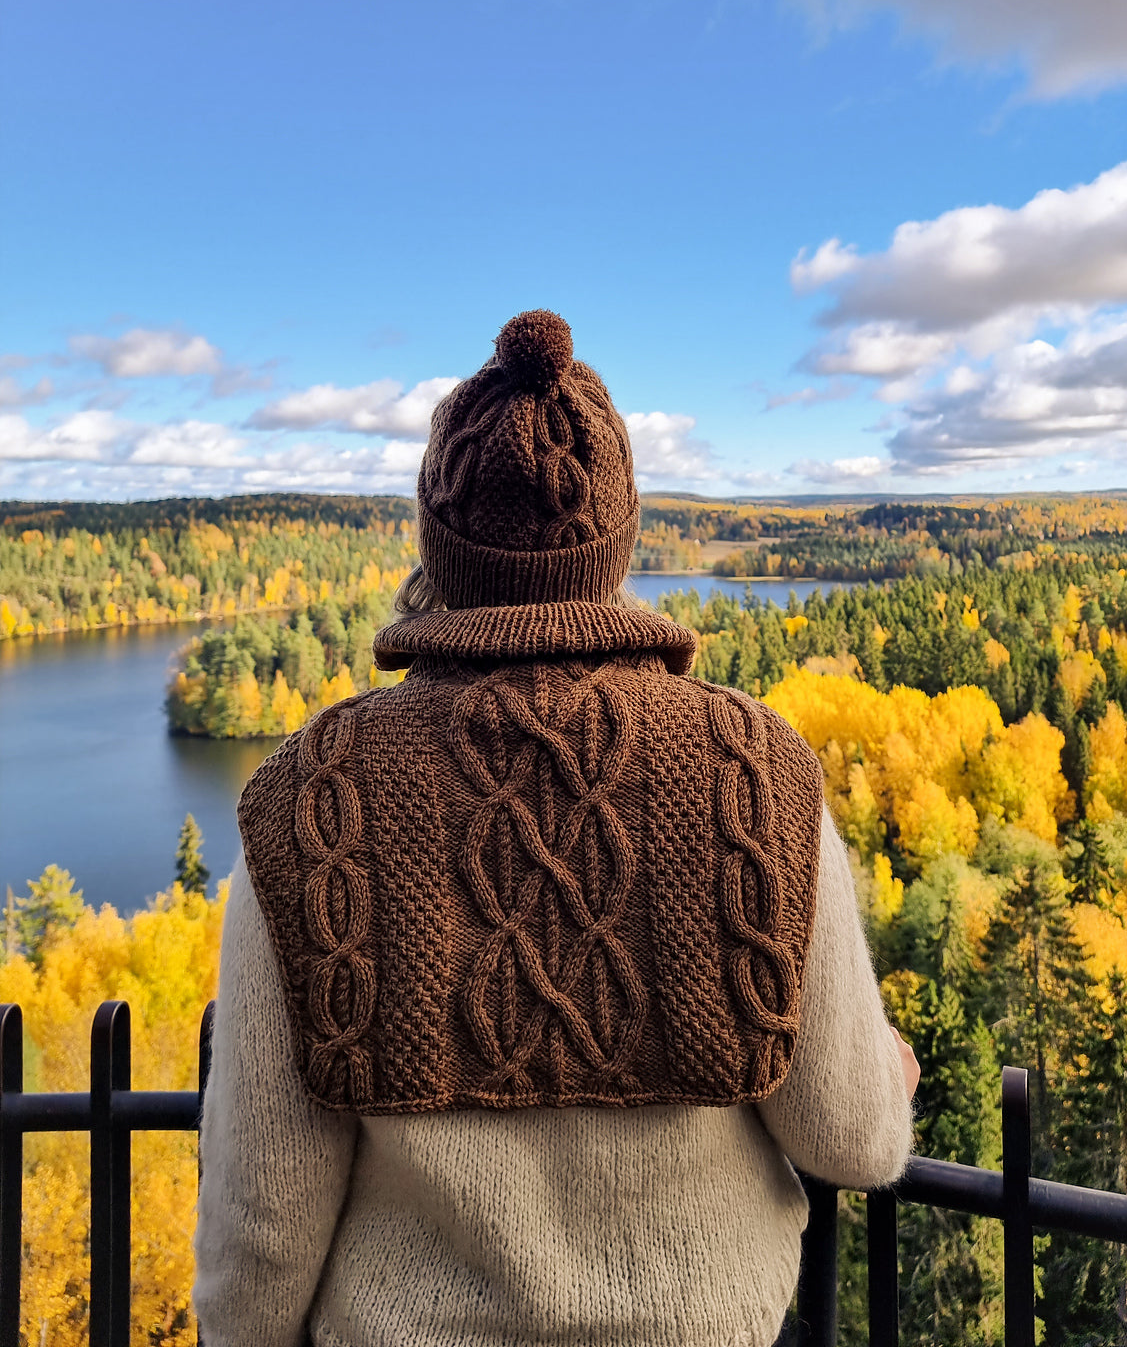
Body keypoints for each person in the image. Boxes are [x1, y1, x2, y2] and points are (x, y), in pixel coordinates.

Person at [192, 309, 918, 1347]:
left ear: (438, 541)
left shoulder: (316, 795)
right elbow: (848, 1135)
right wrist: (886, 1070)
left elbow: (264, 1219)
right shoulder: (754, 769)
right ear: (618, 536)